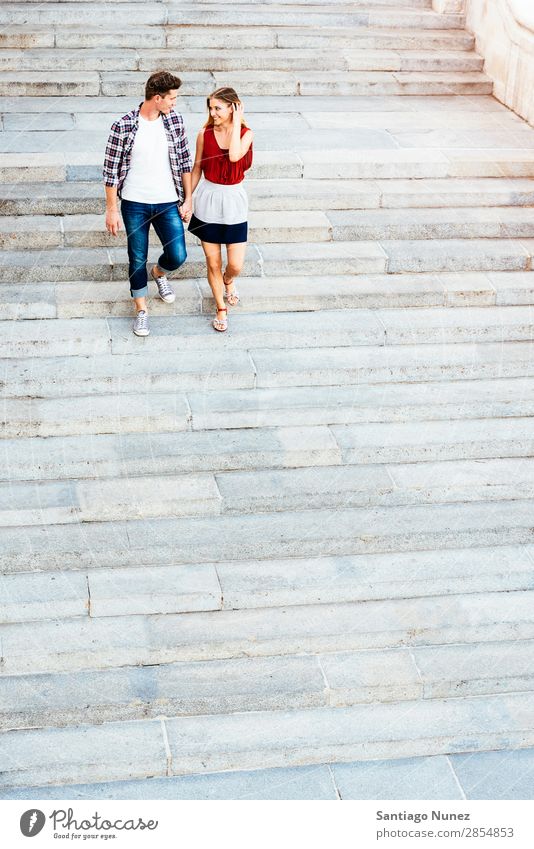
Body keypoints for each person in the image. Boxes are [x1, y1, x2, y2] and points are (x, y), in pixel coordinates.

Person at [103, 70, 193, 337]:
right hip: (134, 203)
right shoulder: (124, 125)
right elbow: (110, 171)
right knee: (137, 257)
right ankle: (141, 310)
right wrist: (111, 209)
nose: (175, 103)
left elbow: (186, 162)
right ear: (157, 98)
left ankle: (159, 273)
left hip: (167, 201)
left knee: (178, 254)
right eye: (172, 98)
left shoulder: (174, 121)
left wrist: (188, 199)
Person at [189, 87, 253, 332]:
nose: (212, 112)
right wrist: (188, 199)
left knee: (235, 265)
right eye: (210, 108)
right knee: (212, 262)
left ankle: (229, 281)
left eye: (218, 107)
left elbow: (235, 156)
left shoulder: (247, 133)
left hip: (234, 200)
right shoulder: (204, 134)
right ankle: (220, 309)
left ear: (233, 107)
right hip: (209, 199)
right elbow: (196, 169)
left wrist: (236, 122)